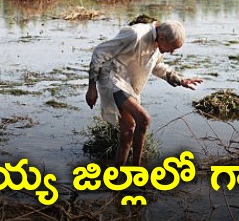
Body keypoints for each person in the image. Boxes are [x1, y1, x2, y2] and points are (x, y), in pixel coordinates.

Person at [86, 20, 203, 167]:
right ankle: (137, 170)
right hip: (111, 78)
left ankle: (116, 177)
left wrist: (180, 80)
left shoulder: (158, 44)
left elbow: (157, 66)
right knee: (143, 119)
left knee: (128, 132)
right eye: (172, 48)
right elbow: (99, 52)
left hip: (128, 83)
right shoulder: (135, 35)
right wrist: (91, 87)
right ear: (162, 38)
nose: (171, 52)